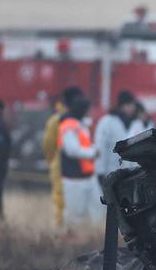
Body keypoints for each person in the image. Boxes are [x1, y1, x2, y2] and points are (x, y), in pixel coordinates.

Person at [42, 86, 83, 227]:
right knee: (61, 202)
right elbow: (49, 146)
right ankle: (61, 233)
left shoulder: (67, 119)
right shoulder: (58, 120)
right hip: (62, 169)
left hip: (71, 169)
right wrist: (54, 163)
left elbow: (48, 147)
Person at [59, 95, 102, 227]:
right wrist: (93, 153)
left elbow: (84, 146)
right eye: (89, 109)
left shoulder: (79, 125)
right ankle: (72, 242)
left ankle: (94, 239)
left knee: (97, 213)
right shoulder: (68, 126)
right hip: (74, 178)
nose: (91, 112)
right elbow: (72, 150)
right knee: (74, 216)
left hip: (87, 176)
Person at [93, 90, 137, 179]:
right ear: (121, 106)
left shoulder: (134, 123)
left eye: (132, 105)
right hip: (109, 173)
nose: (132, 108)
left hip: (129, 175)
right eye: (128, 105)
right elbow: (100, 147)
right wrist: (100, 171)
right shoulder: (107, 122)